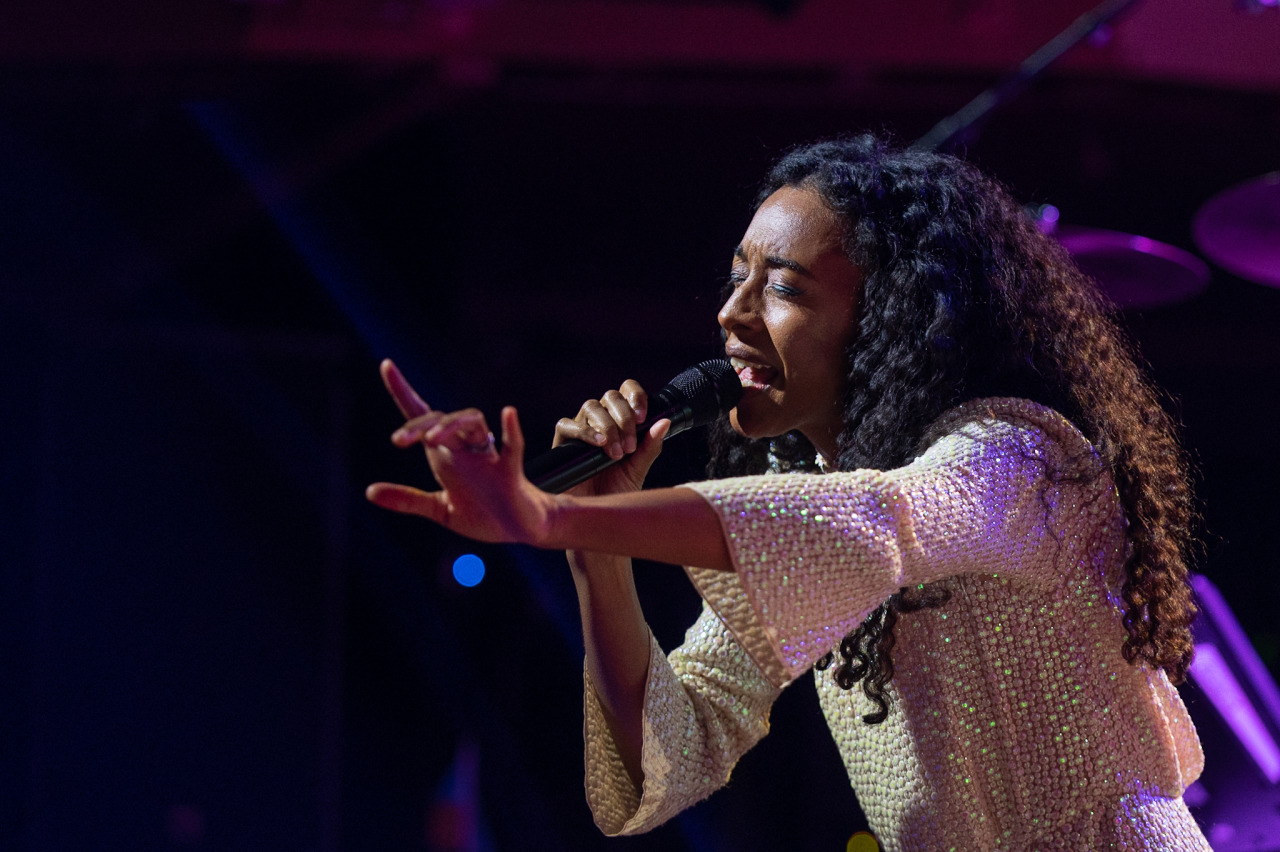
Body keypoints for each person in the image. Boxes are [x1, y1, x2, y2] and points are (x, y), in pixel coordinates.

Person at [366, 135, 1210, 851]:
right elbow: (666, 758)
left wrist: (552, 514)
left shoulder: (1015, 461)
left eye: (782, 286)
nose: (732, 313)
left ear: (891, 315)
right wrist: (597, 543)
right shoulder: (808, 494)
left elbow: (881, 522)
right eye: (736, 277)